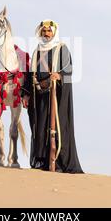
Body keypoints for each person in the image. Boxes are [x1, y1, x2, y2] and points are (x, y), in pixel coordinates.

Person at [22, 19, 83, 173]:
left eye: (49, 31)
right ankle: (42, 161)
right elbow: (31, 75)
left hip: (56, 95)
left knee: (57, 127)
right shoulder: (37, 51)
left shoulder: (61, 49)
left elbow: (68, 71)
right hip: (40, 95)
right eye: (44, 31)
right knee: (40, 126)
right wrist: (27, 94)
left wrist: (59, 75)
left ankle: (60, 163)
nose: (47, 34)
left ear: (54, 32)